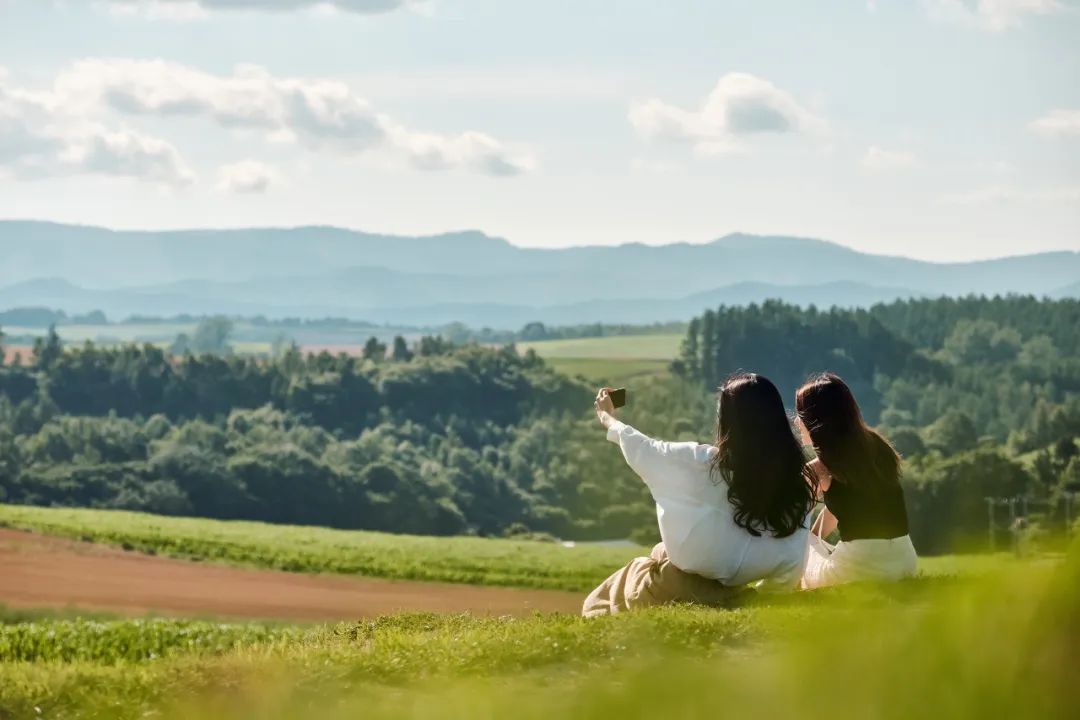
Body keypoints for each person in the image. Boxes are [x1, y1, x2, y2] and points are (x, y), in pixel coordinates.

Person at [582, 373, 816, 617]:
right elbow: (791, 566)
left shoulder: (702, 464)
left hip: (679, 587)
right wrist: (759, 598)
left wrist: (606, 417)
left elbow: (642, 448)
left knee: (599, 602)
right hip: (735, 593)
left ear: (727, 421)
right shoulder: (797, 489)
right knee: (659, 551)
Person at [795, 373, 918, 589]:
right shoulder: (879, 447)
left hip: (860, 568)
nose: (797, 422)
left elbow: (794, 521)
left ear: (815, 420)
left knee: (800, 543)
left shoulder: (818, 469)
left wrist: (811, 543)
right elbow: (843, 505)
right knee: (811, 541)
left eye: (801, 415)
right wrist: (816, 540)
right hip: (905, 562)